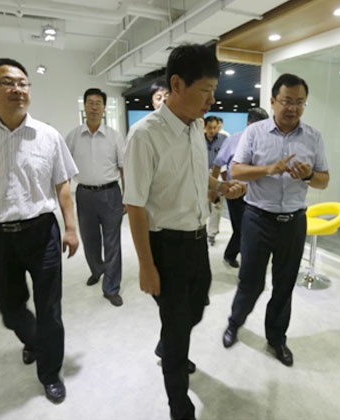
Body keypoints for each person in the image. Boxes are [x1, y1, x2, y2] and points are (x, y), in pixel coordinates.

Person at [123, 44, 246, 420]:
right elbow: (135, 204)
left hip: (196, 243)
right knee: (178, 332)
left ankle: (168, 345)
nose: (212, 100)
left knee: (196, 309)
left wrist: (219, 186)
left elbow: (195, 176)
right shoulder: (145, 135)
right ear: (177, 84)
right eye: (205, 91)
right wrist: (146, 266)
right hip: (166, 246)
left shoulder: (194, 127)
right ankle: (180, 406)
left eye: (213, 90)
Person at [0, 58, 79, 403]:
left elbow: (63, 185)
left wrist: (70, 228)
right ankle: (33, 340)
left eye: (23, 83)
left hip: (42, 233)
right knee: (11, 310)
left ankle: (50, 373)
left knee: (50, 309)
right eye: (7, 82)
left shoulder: (48, 135)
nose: (17, 89)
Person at [222, 73, 329, 367]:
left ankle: (277, 338)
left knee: (285, 284)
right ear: (272, 101)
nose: (292, 108)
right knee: (251, 282)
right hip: (258, 217)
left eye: (299, 102)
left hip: (293, 221)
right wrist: (269, 169)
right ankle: (235, 322)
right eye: (286, 101)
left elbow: (323, 180)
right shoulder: (254, 133)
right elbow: (237, 171)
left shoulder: (313, 137)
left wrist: (308, 175)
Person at [65, 88, 125, 307]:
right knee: (90, 240)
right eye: (90, 102)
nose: (94, 107)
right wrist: (64, 200)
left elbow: (123, 167)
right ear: (84, 106)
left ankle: (111, 287)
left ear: (104, 108)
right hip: (84, 195)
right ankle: (97, 269)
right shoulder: (73, 137)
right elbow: (64, 170)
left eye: (98, 103)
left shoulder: (114, 136)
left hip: (111, 194)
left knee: (112, 243)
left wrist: (127, 196)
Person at [211, 107, 269, 268]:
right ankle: (243, 262)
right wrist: (214, 190)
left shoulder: (267, 142)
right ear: (249, 124)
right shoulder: (233, 140)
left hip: (257, 192)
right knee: (242, 229)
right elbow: (217, 164)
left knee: (252, 229)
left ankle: (233, 255)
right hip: (236, 192)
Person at [204, 115, 228, 246]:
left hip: (218, 174)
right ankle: (201, 229)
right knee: (202, 204)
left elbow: (226, 160)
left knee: (216, 205)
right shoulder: (198, 139)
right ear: (204, 127)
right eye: (209, 127)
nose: (212, 130)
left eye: (214, 127)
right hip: (201, 174)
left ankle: (212, 233)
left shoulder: (224, 139)